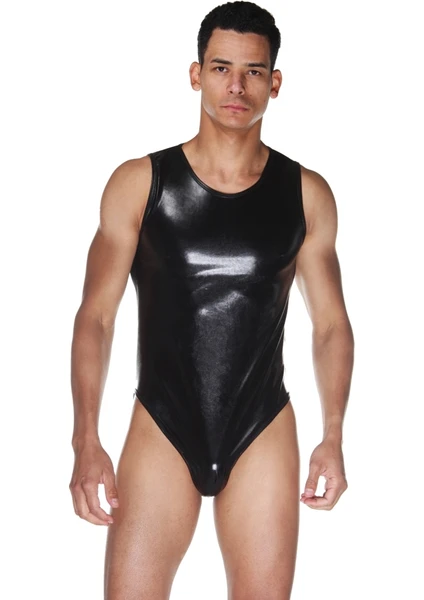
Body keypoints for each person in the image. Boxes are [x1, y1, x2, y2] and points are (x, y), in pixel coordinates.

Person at [69, 1, 354, 598]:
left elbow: (330, 324)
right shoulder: (140, 183)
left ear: (275, 83)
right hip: (163, 423)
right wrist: (86, 439)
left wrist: (333, 435)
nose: (237, 86)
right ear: (196, 74)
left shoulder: (306, 194)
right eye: (222, 68)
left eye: (254, 72)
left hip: (261, 427)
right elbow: (96, 317)